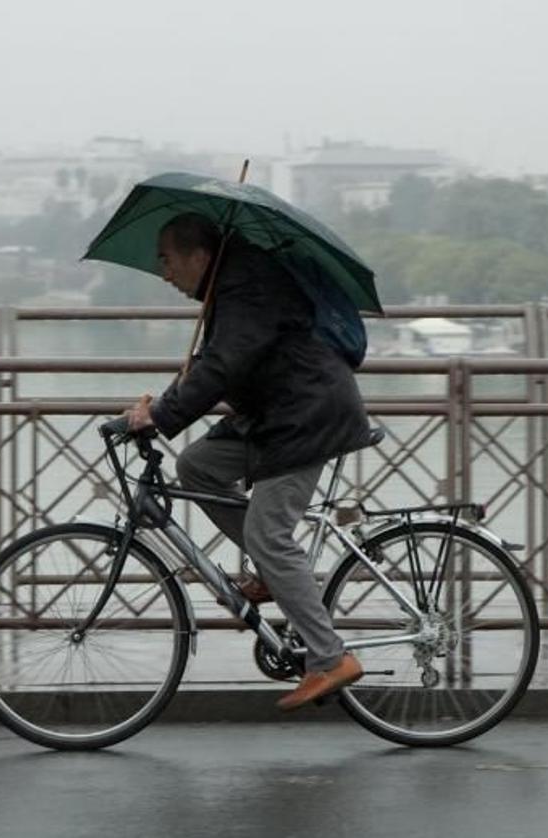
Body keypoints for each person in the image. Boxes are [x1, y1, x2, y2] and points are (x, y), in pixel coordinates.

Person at [123, 212, 372, 710]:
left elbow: (224, 364)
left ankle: (330, 658)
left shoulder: (247, 285)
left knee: (268, 533)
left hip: (306, 417)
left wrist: (162, 415)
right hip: (274, 415)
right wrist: (162, 406)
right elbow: (213, 366)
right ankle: (274, 571)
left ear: (199, 256)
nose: (165, 273)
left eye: (168, 260)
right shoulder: (229, 288)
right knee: (198, 465)